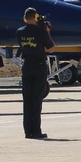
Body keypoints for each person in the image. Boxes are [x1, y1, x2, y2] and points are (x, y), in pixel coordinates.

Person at [16, 7, 54, 139]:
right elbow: (51, 48)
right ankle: (36, 131)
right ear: (35, 17)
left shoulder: (19, 32)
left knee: (27, 100)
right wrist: (47, 32)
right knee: (37, 99)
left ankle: (28, 131)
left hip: (27, 66)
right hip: (39, 66)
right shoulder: (40, 31)